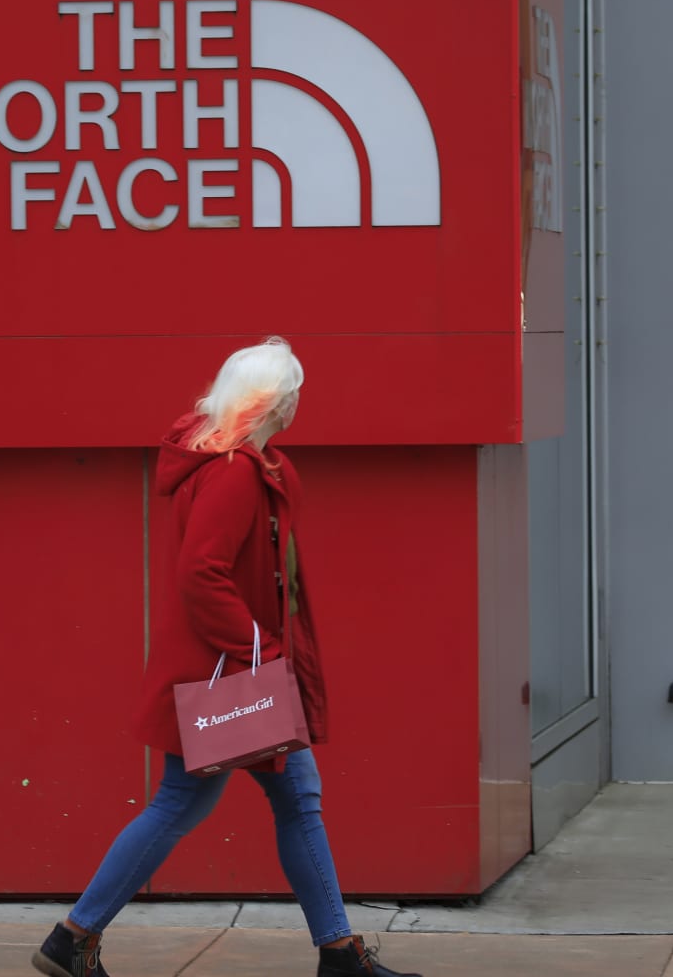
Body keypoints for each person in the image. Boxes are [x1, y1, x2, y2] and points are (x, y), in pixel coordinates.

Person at [33, 338, 422, 977]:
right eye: (294, 392)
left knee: (269, 798)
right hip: (231, 673)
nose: (298, 403)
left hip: (226, 670)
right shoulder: (235, 471)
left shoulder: (245, 464)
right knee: (206, 802)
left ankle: (335, 951)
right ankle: (74, 936)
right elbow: (202, 573)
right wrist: (260, 650)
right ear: (272, 402)